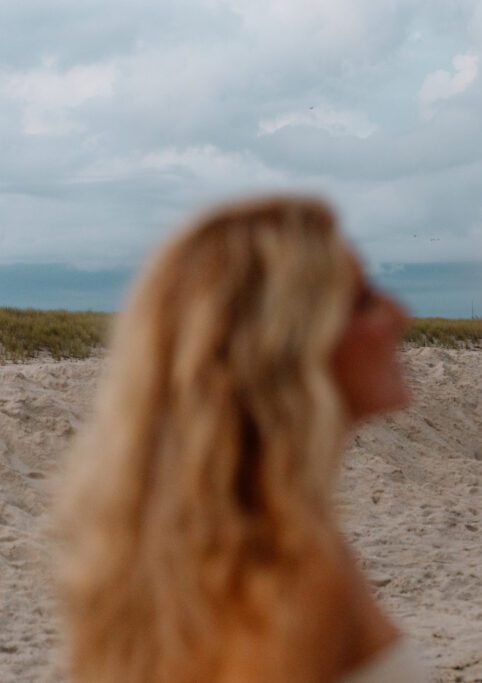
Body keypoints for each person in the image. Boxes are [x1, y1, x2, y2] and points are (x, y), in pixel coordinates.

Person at [56, 197, 429, 683]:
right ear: (284, 344)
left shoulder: (200, 538)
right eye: (362, 301)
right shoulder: (287, 569)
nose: (400, 313)